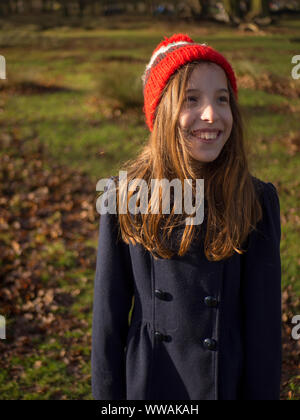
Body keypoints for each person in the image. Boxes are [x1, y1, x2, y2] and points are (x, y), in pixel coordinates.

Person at [91, 34, 282, 400]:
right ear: (162, 112)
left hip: (225, 384)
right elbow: (107, 325)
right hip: (149, 384)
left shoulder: (255, 199)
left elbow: (264, 333)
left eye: (222, 99)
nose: (211, 114)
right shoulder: (125, 196)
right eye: (191, 99)